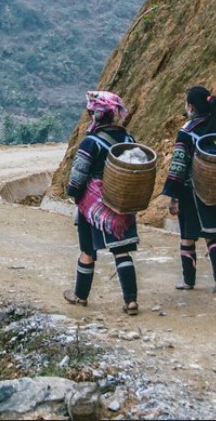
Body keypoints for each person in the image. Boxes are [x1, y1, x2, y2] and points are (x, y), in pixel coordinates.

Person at [63, 90, 141, 315]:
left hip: (93, 206)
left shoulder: (91, 142)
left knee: (87, 251)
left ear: (95, 115)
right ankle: (131, 301)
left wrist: (74, 194)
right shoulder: (128, 139)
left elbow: (78, 175)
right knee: (122, 251)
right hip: (122, 201)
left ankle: (80, 295)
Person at [161, 86, 216, 293]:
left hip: (191, 193)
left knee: (188, 238)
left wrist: (173, 196)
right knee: (212, 236)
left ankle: (188, 281)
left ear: (190, 107)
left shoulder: (187, 132)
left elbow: (179, 165)